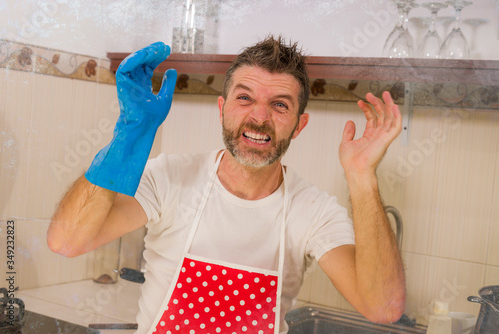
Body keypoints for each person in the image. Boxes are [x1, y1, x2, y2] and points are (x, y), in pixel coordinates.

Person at [48, 35, 405, 334]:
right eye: (244, 98)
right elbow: (66, 241)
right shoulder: (169, 177)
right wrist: (128, 136)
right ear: (222, 108)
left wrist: (361, 176)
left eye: (279, 105)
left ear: (299, 125)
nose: (259, 117)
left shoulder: (314, 211)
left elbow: (382, 307)